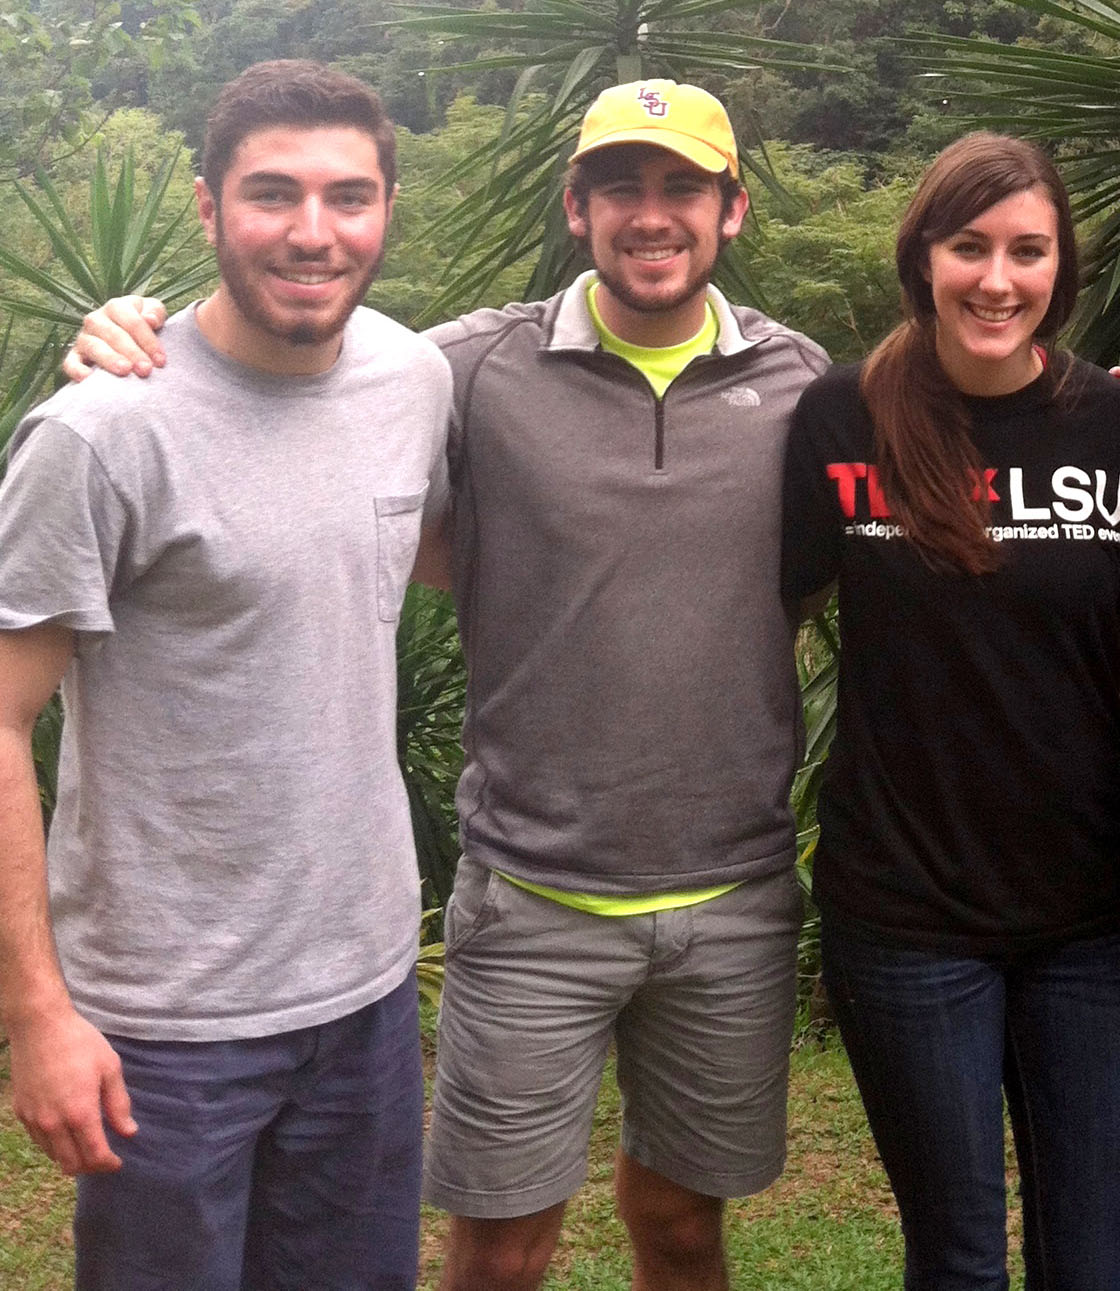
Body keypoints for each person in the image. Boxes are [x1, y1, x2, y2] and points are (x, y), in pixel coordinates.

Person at [61, 79, 829, 1291]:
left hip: (733, 895)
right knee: (500, 1251)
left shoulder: (805, 386)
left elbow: (927, 490)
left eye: (682, 186)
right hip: (531, 895)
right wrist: (126, 331)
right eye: (620, 187)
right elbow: (296, 410)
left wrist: (1117, 421)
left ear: (731, 211)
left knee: (685, 1227)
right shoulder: (460, 369)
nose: (651, 214)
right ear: (575, 208)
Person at [0, 60, 449, 1289]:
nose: (314, 232)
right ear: (207, 208)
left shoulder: (415, 381)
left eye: (349, 196)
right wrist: (37, 1014)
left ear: (388, 207)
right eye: (273, 194)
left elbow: (456, 559)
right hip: (165, 1023)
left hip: (364, 989)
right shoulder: (103, 432)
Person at [780, 132, 1120, 1289]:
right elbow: (769, 612)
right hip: (904, 912)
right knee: (956, 1253)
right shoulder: (840, 416)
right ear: (923, 257)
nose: (997, 278)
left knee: (1091, 1258)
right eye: (969, 247)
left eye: (1027, 250)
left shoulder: (1119, 427)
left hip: (1088, 915)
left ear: (1061, 269)